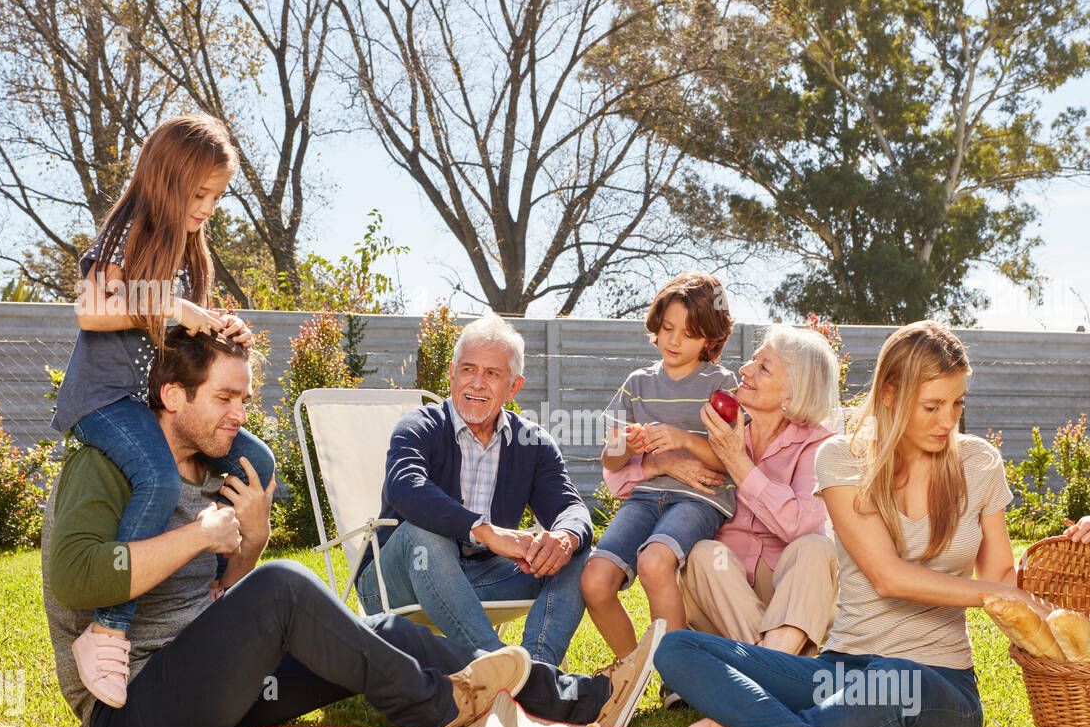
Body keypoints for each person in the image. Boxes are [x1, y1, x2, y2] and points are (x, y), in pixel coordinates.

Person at [42, 329, 655, 727]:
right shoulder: (106, 465)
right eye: (224, 399)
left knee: (384, 630)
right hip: (136, 703)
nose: (240, 416)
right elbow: (76, 578)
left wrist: (249, 539)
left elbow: (219, 595)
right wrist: (197, 535)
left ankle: (581, 697)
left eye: (245, 400)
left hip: (218, 680)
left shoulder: (218, 466)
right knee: (286, 585)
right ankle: (434, 707)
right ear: (173, 395)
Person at [654, 321, 1090, 727]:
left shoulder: (978, 462)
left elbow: (1002, 578)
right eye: (932, 406)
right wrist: (995, 594)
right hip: (840, 672)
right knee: (677, 647)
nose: (948, 421)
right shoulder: (841, 457)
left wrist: (1071, 552)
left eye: (957, 404)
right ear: (890, 395)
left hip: (937, 684)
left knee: (888, 683)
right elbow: (888, 577)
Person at [52, 113, 274, 712]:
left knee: (256, 456)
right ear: (168, 182)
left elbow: (178, 345)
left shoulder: (188, 249)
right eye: (199, 194)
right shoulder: (132, 230)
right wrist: (177, 304)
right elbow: (93, 309)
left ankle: (218, 595)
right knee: (153, 473)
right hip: (103, 402)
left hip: (146, 397)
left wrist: (217, 330)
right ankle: (110, 629)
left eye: (216, 196)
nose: (208, 207)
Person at [355, 315, 593, 669]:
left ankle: (539, 666)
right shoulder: (419, 427)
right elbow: (405, 487)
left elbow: (570, 507)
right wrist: (486, 531)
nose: (477, 384)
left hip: (480, 581)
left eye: (493, 374)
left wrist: (565, 536)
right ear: (452, 373)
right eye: (468, 369)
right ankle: (502, 668)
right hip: (397, 580)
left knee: (577, 551)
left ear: (514, 387)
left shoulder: (532, 442)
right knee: (425, 531)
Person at [605, 324, 841, 661]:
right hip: (719, 595)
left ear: (793, 393)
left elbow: (796, 524)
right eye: (752, 361)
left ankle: (761, 668)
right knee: (701, 554)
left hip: (790, 593)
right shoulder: (717, 430)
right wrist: (662, 465)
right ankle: (784, 665)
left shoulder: (821, 446)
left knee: (815, 547)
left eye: (763, 367)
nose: (744, 370)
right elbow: (617, 480)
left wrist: (736, 460)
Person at [581, 273, 739, 663]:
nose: (673, 341)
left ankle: (677, 673)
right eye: (668, 328)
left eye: (688, 334)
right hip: (643, 498)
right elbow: (611, 460)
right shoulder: (637, 383)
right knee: (594, 580)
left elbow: (731, 459)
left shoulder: (722, 383)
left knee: (654, 562)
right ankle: (632, 668)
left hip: (698, 499)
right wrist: (627, 446)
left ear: (710, 339)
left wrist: (685, 439)